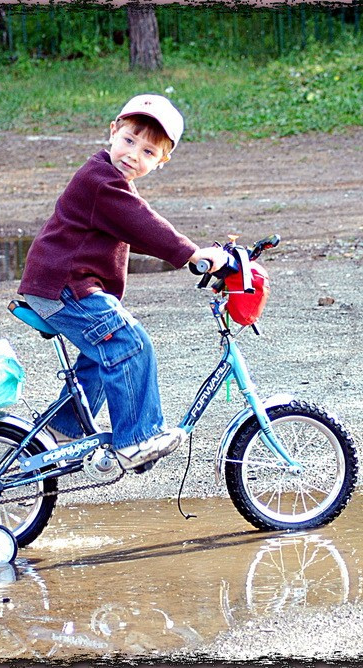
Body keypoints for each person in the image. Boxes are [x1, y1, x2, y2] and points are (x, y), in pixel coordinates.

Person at [18, 93, 226, 470]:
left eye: (148, 151)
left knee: (103, 352)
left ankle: (64, 429)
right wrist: (192, 254)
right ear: (113, 131)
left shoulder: (112, 182)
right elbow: (142, 224)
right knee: (129, 343)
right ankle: (137, 439)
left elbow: (136, 226)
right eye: (129, 140)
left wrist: (191, 254)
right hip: (64, 285)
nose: (133, 154)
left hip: (63, 284)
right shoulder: (101, 180)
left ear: (161, 161)